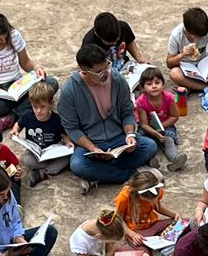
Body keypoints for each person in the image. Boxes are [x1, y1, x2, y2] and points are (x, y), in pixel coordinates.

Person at [59, 41, 155, 183]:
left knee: (150, 146)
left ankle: (100, 174)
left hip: (118, 138)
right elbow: (72, 128)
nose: (105, 74)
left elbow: (127, 112)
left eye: (107, 67)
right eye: (99, 72)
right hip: (91, 142)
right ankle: (130, 175)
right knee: (78, 165)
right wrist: (92, 147)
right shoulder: (69, 91)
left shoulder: (117, 79)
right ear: (84, 70)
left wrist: (130, 134)